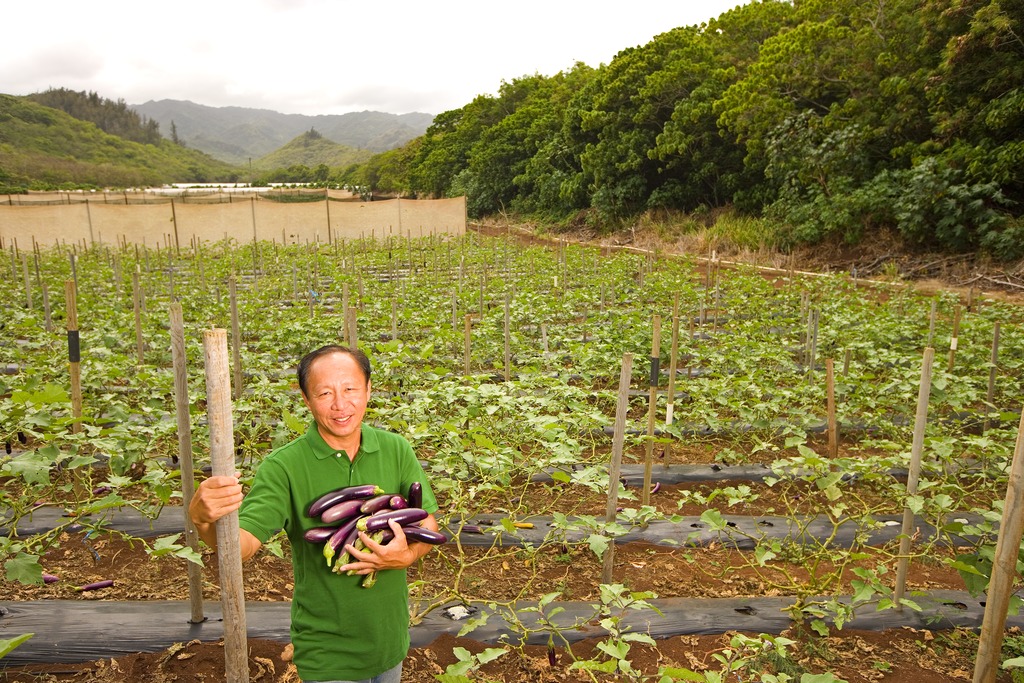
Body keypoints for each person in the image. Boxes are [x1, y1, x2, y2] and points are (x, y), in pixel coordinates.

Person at [189, 344, 439, 683]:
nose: (340, 404)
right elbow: (242, 544)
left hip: (389, 641)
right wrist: (204, 520)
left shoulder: (396, 450)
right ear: (306, 400)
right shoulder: (284, 467)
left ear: (368, 389)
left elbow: (426, 523)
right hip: (326, 651)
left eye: (350, 389)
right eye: (324, 393)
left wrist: (405, 556)